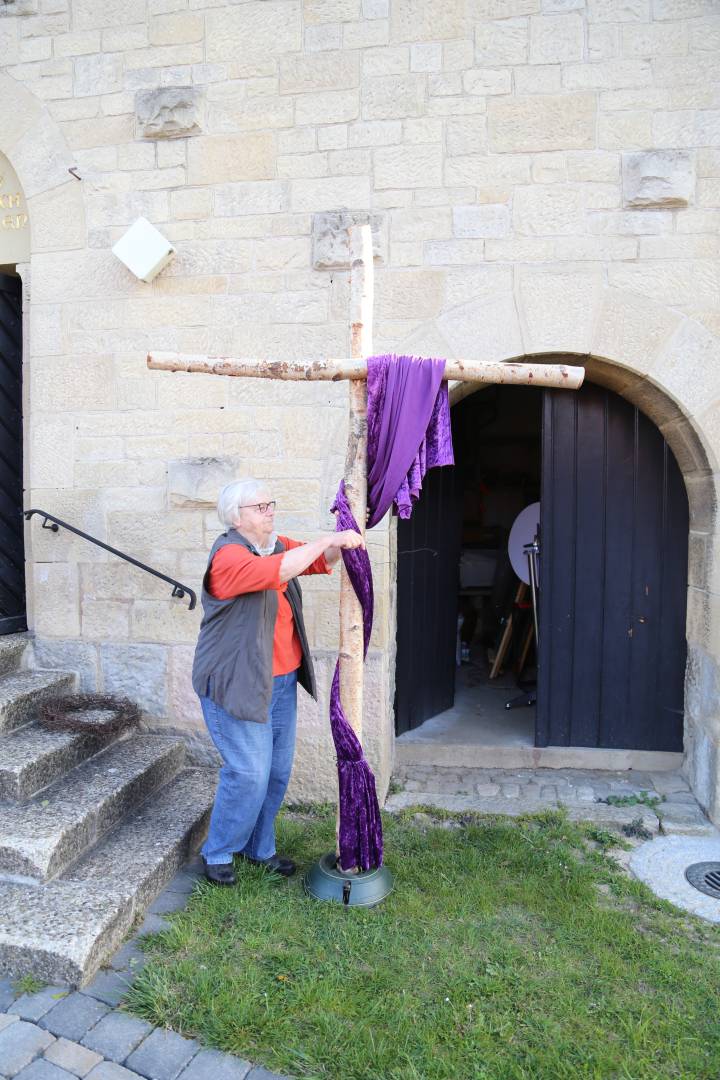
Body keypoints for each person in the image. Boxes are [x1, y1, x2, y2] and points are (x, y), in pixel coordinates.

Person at [192, 478, 365, 886]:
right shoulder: (229, 556)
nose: (270, 511)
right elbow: (281, 570)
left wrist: (349, 535)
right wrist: (326, 538)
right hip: (237, 684)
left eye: (271, 504)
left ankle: (259, 847)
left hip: (281, 682)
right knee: (249, 772)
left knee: (276, 772)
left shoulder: (276, 545)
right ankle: (218, 851)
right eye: (260, 507)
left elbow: (323, 560)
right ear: (237, 517)